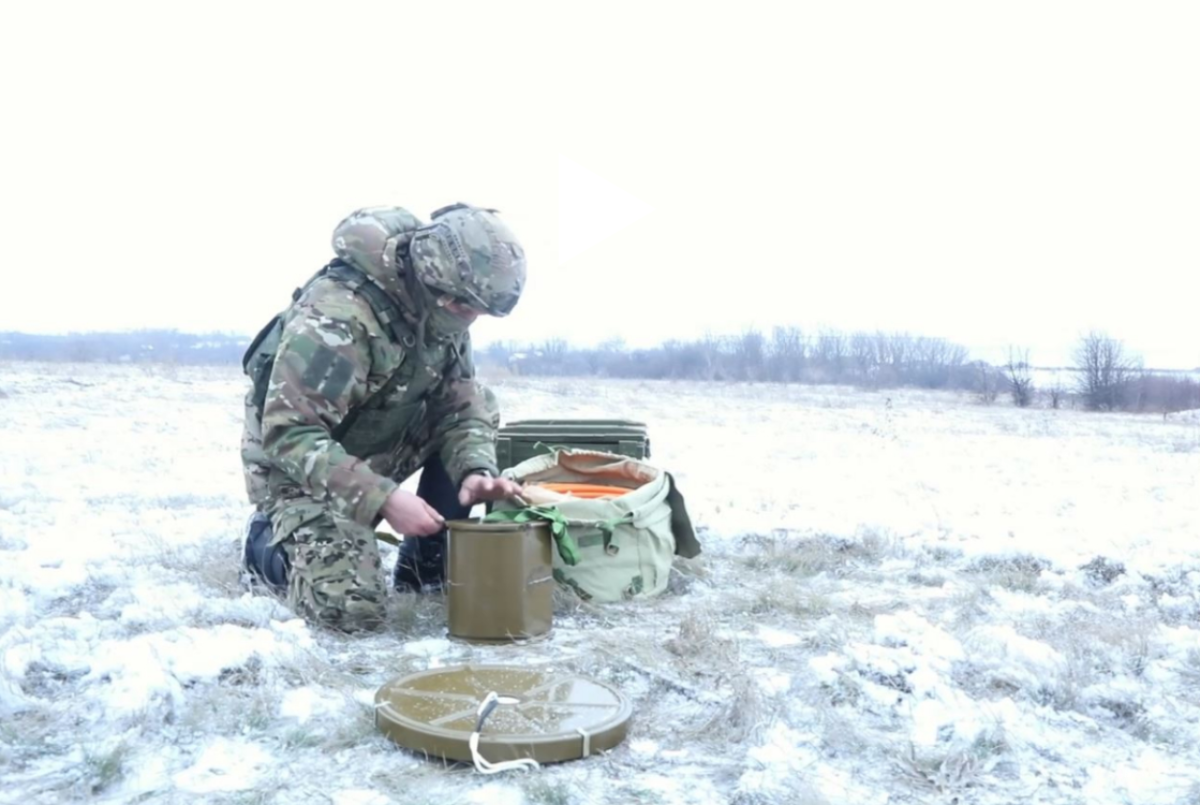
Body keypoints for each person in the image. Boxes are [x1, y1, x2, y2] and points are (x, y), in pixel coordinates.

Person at [239, 203, 525, 632]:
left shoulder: (443, 312)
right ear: (437, 283)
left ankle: (427, 565)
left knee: (481, 403)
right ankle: (268, 545)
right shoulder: (339, 318)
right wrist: (384, 498)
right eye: (469, 308)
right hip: (297, 471)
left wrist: (474, 469)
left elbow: (460, 405)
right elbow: (289, 436)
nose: (472, 319)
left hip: (378, 443)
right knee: (351, 611)